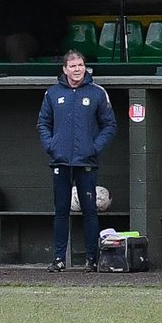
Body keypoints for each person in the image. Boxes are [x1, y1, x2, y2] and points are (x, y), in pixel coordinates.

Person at [37, 50, 118, 272]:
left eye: (80, 65)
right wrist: (51, 145)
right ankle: (58, 259)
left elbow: (109, 125)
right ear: (64, 69)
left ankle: (92, 260)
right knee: (61, 211)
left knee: (89, 211)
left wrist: (94, 147)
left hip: (86, 162)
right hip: (60, 161)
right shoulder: (52, 93)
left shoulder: (97, 93)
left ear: (85, 67)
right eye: (72, 66)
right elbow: (43, 122)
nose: (77, 69)